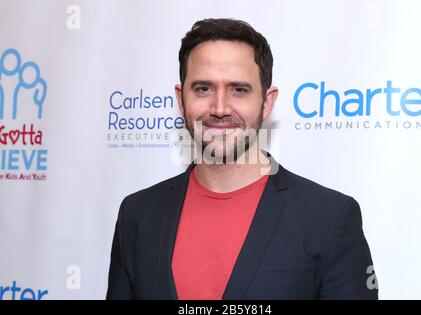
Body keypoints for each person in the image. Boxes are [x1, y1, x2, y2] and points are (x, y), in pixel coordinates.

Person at [106, 18, 378, 300]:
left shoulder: (329, 217)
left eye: (238, 89)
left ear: (267, 101)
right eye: (203, 89)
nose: (220, 108)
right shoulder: (137, 214)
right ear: (180, 98)